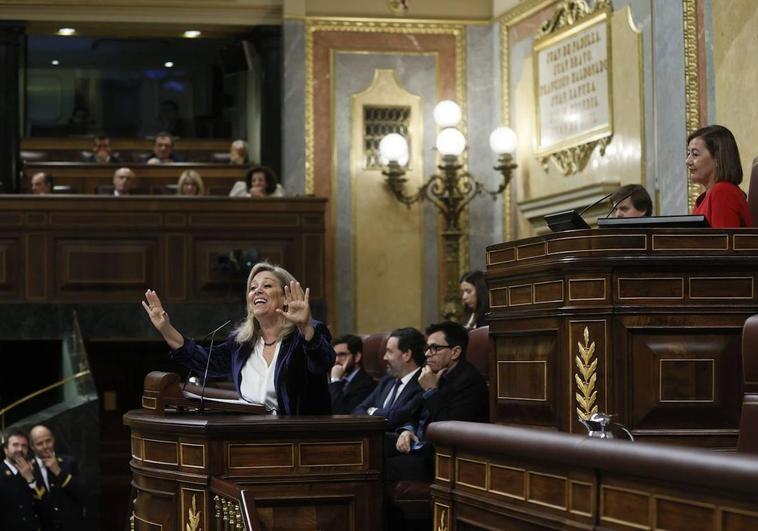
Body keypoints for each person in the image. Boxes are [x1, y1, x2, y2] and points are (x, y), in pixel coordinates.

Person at [142, 261, 335, 415]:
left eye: (267, 285)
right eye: (252, 288)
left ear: (287, 297)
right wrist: (166, 329)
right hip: (246, 436)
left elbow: (322, 363)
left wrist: (305, 327)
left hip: (300, 439)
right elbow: (204, 360)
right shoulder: (241, 343)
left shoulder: (309, 331)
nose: (257, 291)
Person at [386, 321, 489, 482]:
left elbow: (450, 432)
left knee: (377, 466)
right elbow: (412, 414)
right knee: (375, 442)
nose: (427, 353)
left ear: (455, 352)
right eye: (427, 348)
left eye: (435, 348)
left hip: (439, 459)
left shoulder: (469, 381)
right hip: (419, 446)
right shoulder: (436, 374)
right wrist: (407, 430)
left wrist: (431, 391)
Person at [353, 328, 425, 431]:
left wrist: (371, 411)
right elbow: (358, 410)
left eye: (389, 352)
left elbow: (395, 418)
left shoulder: (422, 383)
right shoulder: (386, 381)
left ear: (407, 355)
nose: (384, 357)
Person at [688, 125, 752, 228]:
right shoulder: (705, 198)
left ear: (718, 158)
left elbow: (724, 243)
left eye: (695, 154)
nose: (688, 161)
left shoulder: (723, 192)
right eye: (688, 154)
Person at [30, 425, 85, 530]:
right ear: (32, 447)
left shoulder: (68, 462)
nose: (45, 446)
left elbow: (81, 493)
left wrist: (58, 471)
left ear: (53, 440)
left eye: (48, 441)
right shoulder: (29, 469)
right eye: (40, 444)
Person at [1, 429, 44, 531]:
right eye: (15, 445)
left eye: (24, 446)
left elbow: (44, 502)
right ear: (5, 449)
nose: (20, 449)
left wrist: (30, 478)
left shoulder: (33, 471)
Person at [329, 334, 376, 414]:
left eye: (342, 355)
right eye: (334, 355)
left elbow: (340, 414)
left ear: (357, 357)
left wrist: (335, 380)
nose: (336, 360)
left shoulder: (365, 384)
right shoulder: (339, 379)